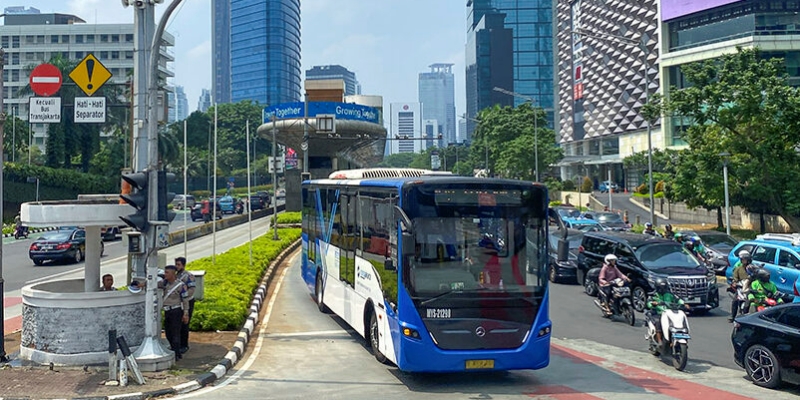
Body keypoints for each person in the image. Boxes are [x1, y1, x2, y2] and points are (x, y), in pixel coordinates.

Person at [159, 265, 190, 360]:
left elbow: (185, 300)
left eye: (167, 273)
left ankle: (176, 354)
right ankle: (174, 350)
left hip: (176, 311)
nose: (165, 274)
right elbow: (152, 284)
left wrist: (185, 313)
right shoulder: (164, 284)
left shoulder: (180, 285)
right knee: (168, 333)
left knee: (175, 333)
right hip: (167, 311)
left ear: (173, 274)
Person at [646, 277, 687, 345]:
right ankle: (659, 341)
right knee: (658, 322)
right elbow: (649, 303)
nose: (662, 289)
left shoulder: (670, 294)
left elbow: (678, 300)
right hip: (659, 313)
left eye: (664, 287)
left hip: (670, 313)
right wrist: (653, 304)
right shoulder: (653, 295)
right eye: (660, 287)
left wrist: (684, 304)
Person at [175, 256, 196, 355]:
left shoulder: (188, 276)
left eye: (178, 265)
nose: (177, 267)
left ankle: (184, 345)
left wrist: (183, 296)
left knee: (185, 324)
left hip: (187, 302)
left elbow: (191, 290)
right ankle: (177, 344)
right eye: (176, 264)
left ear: (183, 265)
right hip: (178, 303)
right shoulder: (175, 276)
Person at [729, 250, 754, 322]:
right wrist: (734, 283)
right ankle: (732, 316)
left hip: (750, 288)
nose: (743, 261)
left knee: (749, 301)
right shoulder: (738, 268)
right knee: (735, 301)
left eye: (744, 259)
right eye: (742, 259)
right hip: (740, 288)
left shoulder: (753, 268)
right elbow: (735, 278)